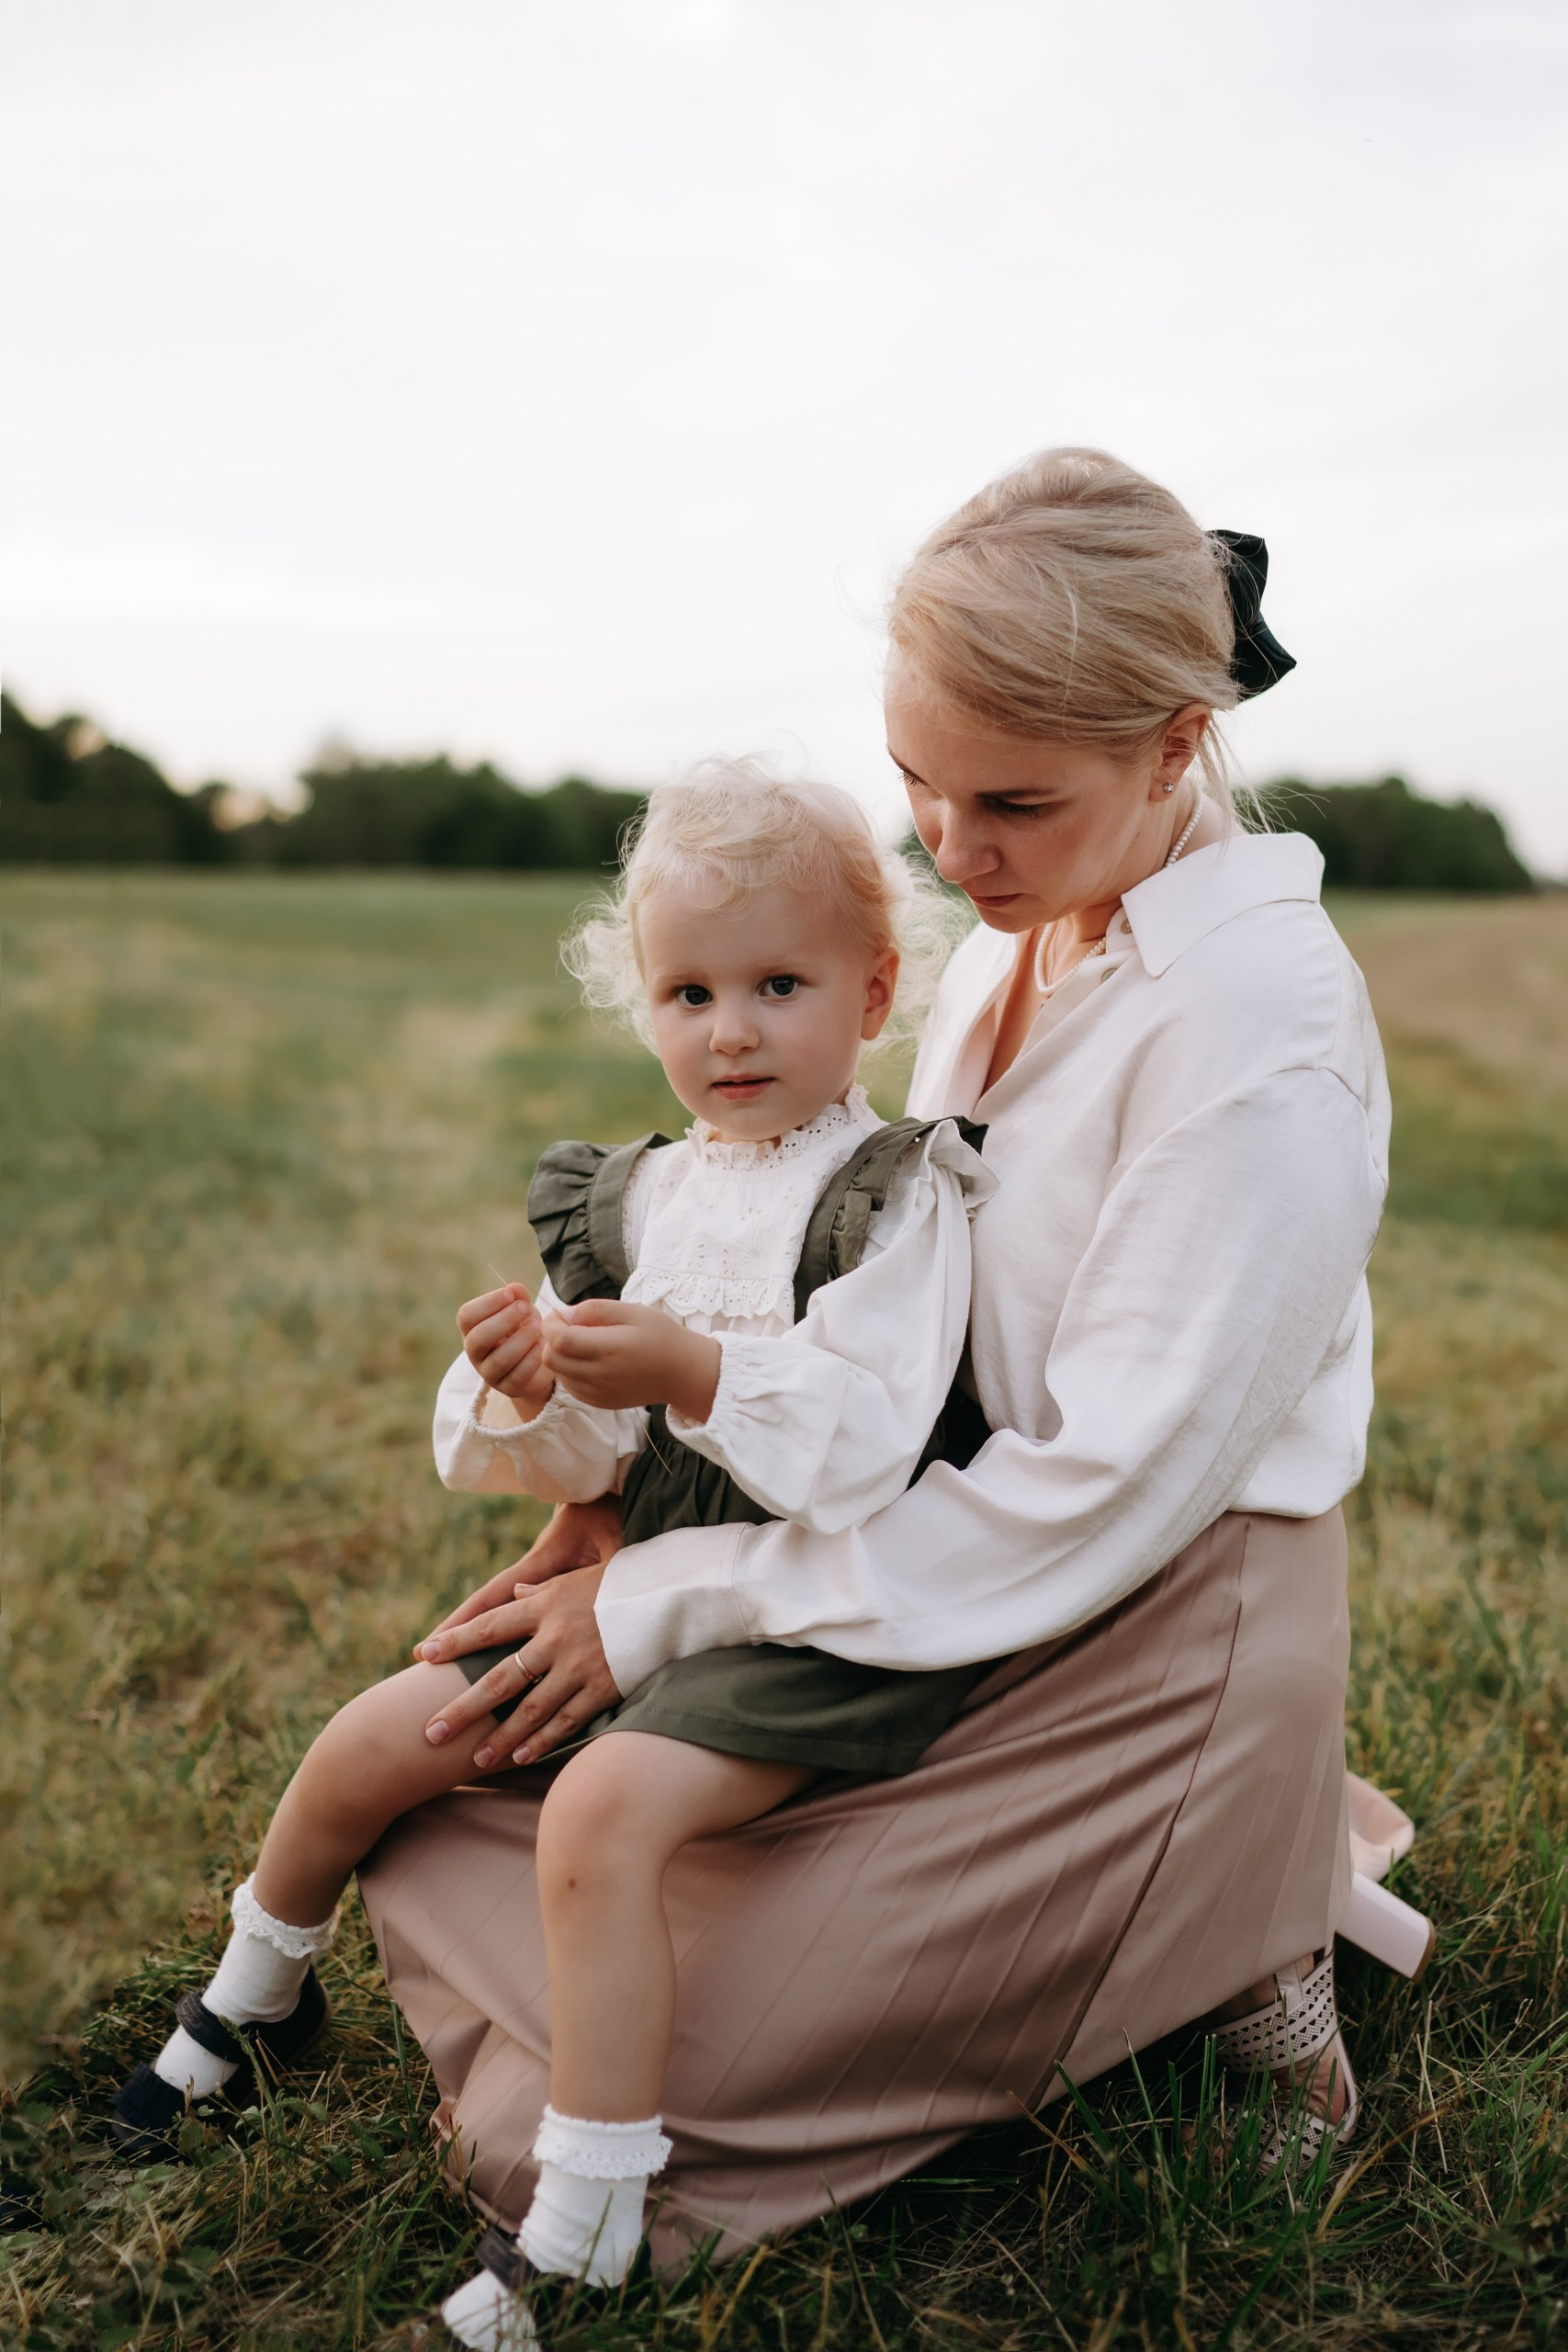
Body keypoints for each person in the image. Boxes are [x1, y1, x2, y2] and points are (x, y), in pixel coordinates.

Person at [357, 448, 1391, 2290]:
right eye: (913, 777)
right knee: (437, 1781)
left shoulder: (1263, 1035)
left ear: (1171, 743)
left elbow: (1099, 1491)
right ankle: (1215, 1899)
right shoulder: (1024, 936)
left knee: (595, 2121)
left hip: (1139, 1594)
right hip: (936, 1540)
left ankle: (1239, 1897)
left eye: (1006, 796)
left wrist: (681, 1596)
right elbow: (886, 1316)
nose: (943, 846)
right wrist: (615, 1511)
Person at [109, 765, 994, 2351]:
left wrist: (695, 1372)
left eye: (780, 986)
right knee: (391, 1726)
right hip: (637, 1558)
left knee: (598, 1808)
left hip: (812, 1609)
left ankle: (586, 2221)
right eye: (690, 990)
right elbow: (594, 1465)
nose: (731, 1030)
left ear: (874, 994)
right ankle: (255, 1994)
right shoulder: (639, 1194)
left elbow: (864, 1444)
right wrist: (536, 1382)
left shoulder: (896, 1197)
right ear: (640, 1000)